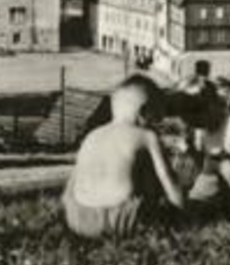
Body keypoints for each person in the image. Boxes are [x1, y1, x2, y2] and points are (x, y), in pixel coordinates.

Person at [61, 76, 187, 238]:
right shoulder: (146, 135)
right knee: (150, 171)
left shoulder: (92, 135)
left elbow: (73, 181)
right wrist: (180, 213)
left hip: (78, 218)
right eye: (156, 117)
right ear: (144, 112)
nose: (158, 122)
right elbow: (167, 179)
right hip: (123, 220)